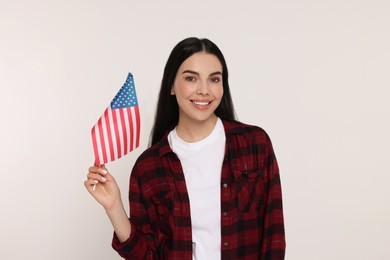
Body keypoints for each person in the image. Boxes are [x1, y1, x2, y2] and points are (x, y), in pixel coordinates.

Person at [85, 37, 285, 259]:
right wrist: (114, 207)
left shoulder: (255, 144)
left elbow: (273, 234)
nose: (203, 90)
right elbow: (147, 255)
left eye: (214, 79)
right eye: (191, 78)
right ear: (171, 85)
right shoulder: (148, 167)